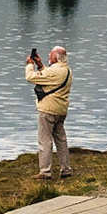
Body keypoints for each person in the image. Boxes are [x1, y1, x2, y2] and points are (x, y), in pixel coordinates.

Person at [24, 45, 72, 178]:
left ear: (56, 58)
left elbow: (30, 77)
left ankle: (45, 171)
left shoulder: (53, 71)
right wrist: (40, 65)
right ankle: (66, 169)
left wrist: (30, 65)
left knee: (45, 140)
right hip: (61, 111)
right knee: (61, 140)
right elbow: (49, 77)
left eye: (50, 55)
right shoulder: (67, 70)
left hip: (48, 110)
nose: (48, 57)